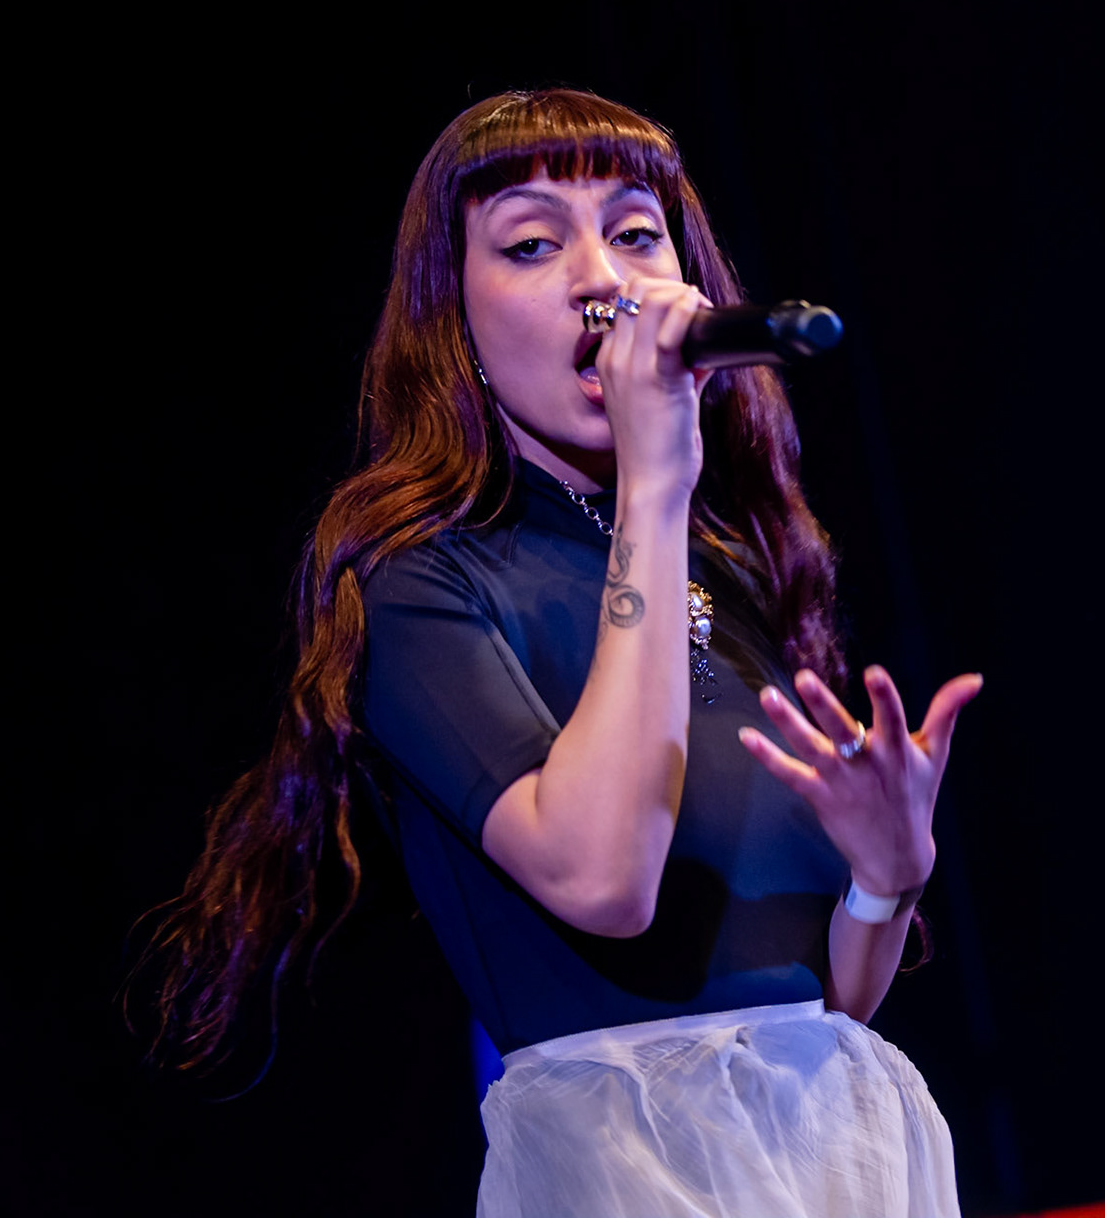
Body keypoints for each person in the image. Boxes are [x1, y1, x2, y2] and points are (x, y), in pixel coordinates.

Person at [143, 89, 982, 1216]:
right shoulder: (421, 584)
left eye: (637, 233)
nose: (603, 279)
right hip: (625, 1172)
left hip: (833, 1158)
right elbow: (601, 878)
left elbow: (815, 996)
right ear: (457, 323)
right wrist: (654, 486)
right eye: (533, 243)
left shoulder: (729, 567)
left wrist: (887, 875)